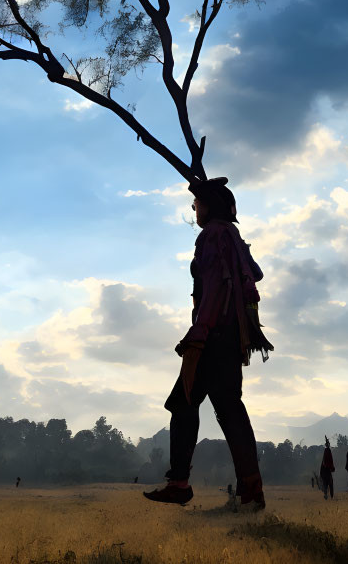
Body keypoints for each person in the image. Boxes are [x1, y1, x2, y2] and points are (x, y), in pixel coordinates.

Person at [144, 177, 272, 511]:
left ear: (209, 206)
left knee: (183, 402)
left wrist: (199, 331)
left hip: (213, 336)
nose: (193, 210)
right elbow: (248, 277)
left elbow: (216, 286)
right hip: (231, 338)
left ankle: (179, 483)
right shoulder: (233, 236)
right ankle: (251, 492)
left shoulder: (213, 234)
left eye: (196, 204)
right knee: (230, 409)